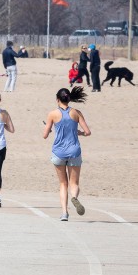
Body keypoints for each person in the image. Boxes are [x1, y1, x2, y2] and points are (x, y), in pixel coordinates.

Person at [43, 86, 91, 221]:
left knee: (63, 183)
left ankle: (64, 213)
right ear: (69, 99)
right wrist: (79, 133)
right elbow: (87, 132)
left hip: (59, 152)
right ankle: (74, 198)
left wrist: (49, 130)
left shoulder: (53, 114)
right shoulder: (76, 112)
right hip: (74, 151)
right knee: (74, 183)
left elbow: (45, 135)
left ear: (57, 100)